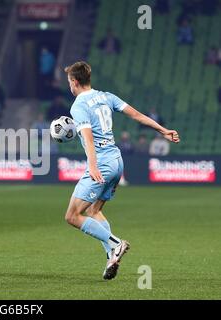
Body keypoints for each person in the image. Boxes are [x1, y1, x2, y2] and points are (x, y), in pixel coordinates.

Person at [63, 61, 179, 280]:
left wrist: (92, 165)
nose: (69, 85)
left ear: (75, 81)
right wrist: (163, 130)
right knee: (94, 211)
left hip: (102, 164)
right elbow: (136, 115)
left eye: (69, 81)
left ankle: (116, 243)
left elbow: (87, 136)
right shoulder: (106, 96)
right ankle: (111, 257)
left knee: (72, 216)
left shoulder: (78, 105)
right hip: (117, 161)